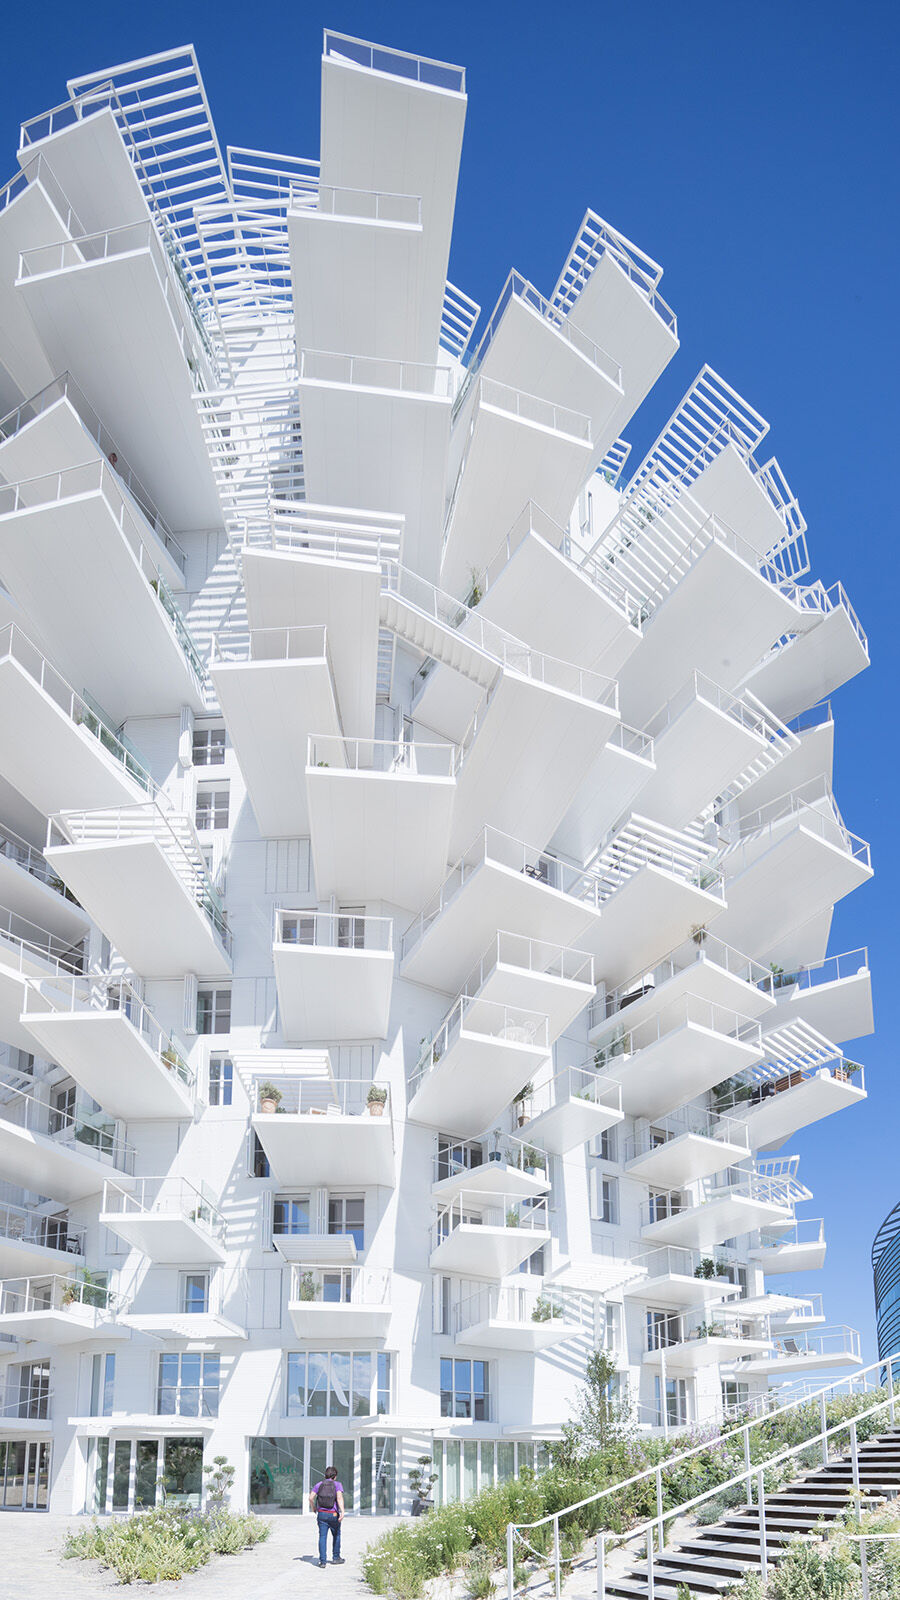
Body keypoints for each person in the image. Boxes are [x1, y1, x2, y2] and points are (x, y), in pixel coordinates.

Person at [309, 1464, 345, 1566]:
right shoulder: (337, 1484)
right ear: (335, 1476)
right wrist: (342, 1511)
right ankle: (336, 1557)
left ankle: (322, 1561)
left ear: (325, 1475)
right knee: (336, 1534)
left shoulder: (319, 1484)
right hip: (333, 1514)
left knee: (322, 1537)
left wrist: (313, 1508)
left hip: (321, 1514)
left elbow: (310, 1498)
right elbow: (339, 1498)